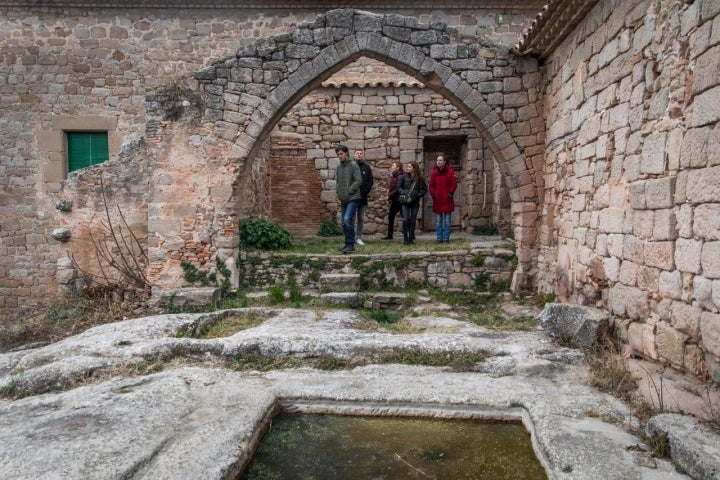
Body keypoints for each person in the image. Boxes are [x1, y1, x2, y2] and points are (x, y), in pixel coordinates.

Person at [334, 145, 362, 254]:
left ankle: (351, 245)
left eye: (341, 154)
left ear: (346, 153)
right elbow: (338, 182)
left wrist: (349, 190)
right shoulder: (339, 167)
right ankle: (347, 244)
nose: (339, 156)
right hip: (344, 198)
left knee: (347, 219)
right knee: (343, 223)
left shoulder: (353, 165)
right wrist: (338, 191)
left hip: (353, 197)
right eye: (338, 155)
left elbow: (358, 180)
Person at [429, 155, 458, 243]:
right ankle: (439, 238)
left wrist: (450, 193)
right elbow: (431, 185)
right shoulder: (434, 172)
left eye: (440, 160)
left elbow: (454, 184)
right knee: (438, 221)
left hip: (447, 199)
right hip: (437, 199)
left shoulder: (450, 171)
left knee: (447, 221)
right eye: (437, 160)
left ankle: (446, 238)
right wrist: (433, 194)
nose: (438, 162)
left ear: (444, 161)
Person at [398, 161, 427, 245]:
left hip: (414, 202)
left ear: (414, 168)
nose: (408, 168)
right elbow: (399, 187)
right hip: (405, 201)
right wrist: (403, 192)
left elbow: (424, 189)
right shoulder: (403, 177)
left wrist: (417, 195)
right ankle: (405, 239)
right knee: (405, 220)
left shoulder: (420, 178)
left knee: (413, 220)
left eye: (409, 167)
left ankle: (411, 239)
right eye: (407, 166)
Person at [353, 149, 374, 245]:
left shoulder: (366, 167)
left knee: (361, 218)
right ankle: (351, 237)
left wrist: (365, 191)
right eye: (357, 153)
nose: (359, 155)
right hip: (352, 197)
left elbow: (370, 181)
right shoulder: (351, 166)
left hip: (363, 197)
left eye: (361, 153)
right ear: (354, 155)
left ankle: (359, 237)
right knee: (351, 218)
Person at [382, 161, 403, 240]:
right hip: (394, 200)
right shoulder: (394, 176)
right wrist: (390, 197)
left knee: (405, 217)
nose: (392, 166)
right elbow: (392, 188)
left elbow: (398, 189)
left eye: (393, 165)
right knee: (391, 217)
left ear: (398, 168)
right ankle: (389, 235)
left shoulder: (400, 176)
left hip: (400, 200)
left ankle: (411, 234)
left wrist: (389, 196)